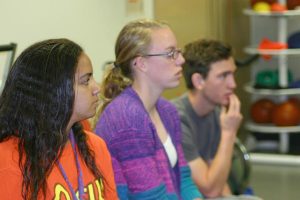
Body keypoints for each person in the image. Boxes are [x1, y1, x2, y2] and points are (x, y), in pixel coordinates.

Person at [95, 19, 203, 200]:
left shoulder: (167, 110)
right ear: (141, 63)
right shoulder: (127, 117)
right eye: (170, 54)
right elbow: (149, 197)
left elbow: (183, 179)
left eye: (178, 52)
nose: (181, 60)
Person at [0, 39, 118, 200]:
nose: (97, 87)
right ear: (52, 90)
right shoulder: (9, 160)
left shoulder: (95, 147)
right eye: (85, 81)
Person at [172, 39, 243, 198]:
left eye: (232, 74)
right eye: (223, 76)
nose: (233, 84)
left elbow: (218, 179)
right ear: (199, 81)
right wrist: (229, 133)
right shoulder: (176, 118)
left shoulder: (216, 113)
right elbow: (209, 189)